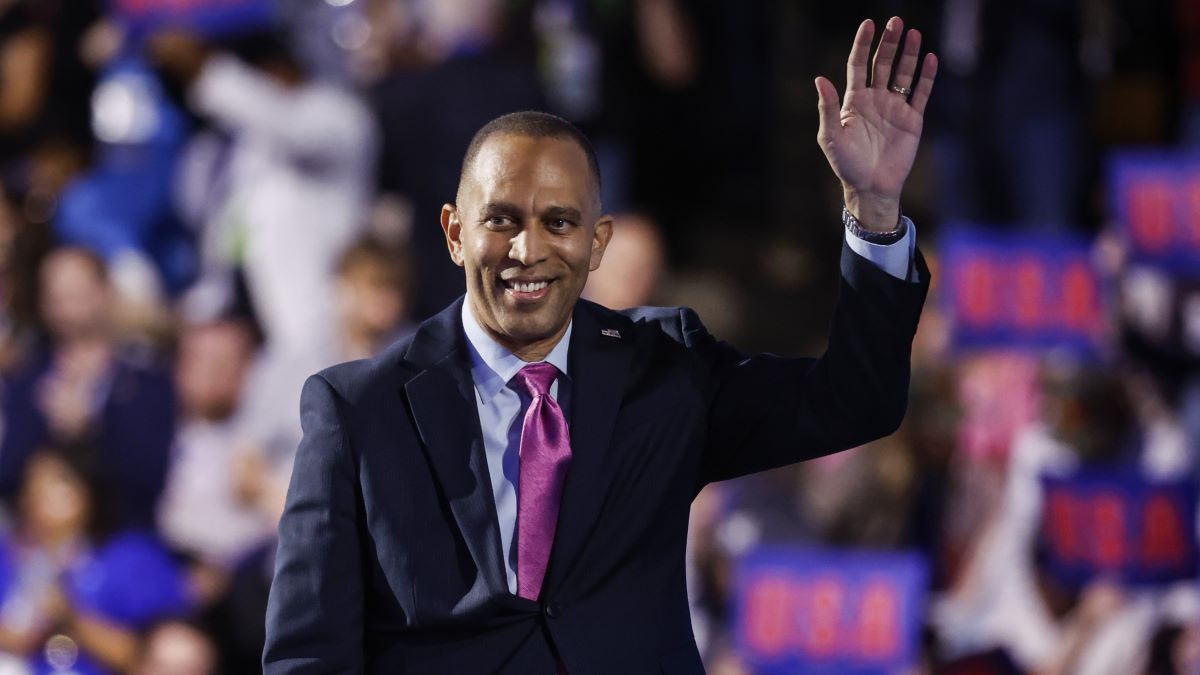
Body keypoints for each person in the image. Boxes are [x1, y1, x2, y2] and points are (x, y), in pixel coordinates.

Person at [265, 16, 937, 674]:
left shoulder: (669, 373)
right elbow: (307, 652)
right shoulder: (358, 407)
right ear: (453, 231)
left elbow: (857, 402)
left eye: (559, 221)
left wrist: (874, 212)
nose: (527, 250)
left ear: (597, 243)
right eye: (500, 219)